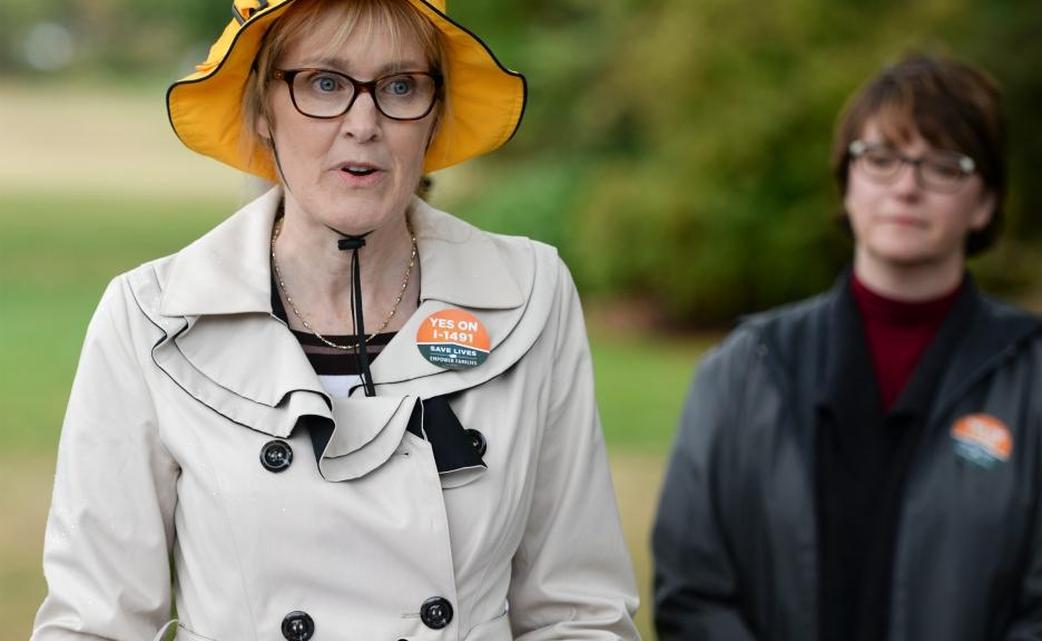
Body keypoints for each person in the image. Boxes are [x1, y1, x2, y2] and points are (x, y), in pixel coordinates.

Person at [31, 0, 640, 639]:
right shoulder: (151, 320)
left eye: (401, 86)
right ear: (262, 107)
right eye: (325, 83)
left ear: (433, 117)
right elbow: (95, 623)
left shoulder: (528, 297)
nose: (364, 122)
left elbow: (578, 613)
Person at [652, 54, 1042, 641]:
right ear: (846, 181)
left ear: (986, 202)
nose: (907, 186)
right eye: (881, 158)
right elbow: (691, 592)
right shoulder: (742, 369)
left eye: (944, 165)